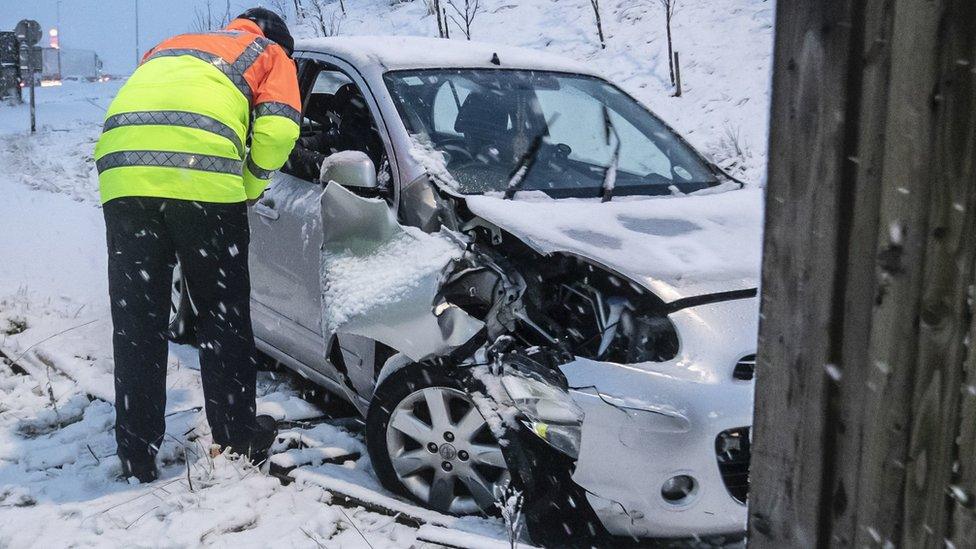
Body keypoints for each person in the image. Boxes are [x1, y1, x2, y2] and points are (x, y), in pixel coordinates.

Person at [94, 8, 301, 483]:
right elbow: (279, 130)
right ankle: (236, 438)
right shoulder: (269, 54)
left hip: (123, 173)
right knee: (221, 316)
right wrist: (250, 183)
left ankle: (137, 453)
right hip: (202, 175)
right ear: (276, 38)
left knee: (137, 323)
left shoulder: (173, 43)